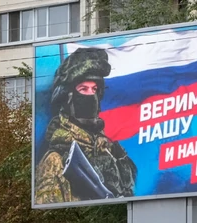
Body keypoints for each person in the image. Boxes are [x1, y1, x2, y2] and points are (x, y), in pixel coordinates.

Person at [35, 47, 137, 204]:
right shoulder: (56, 161)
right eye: (83, 89)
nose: (91, 95)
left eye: (94, 89)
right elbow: (48, 214)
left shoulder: (111, 151)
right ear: (68, 97)